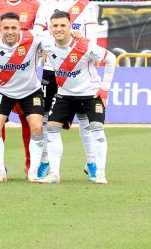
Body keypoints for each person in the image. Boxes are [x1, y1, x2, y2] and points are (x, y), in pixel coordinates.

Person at [40, 11, 115, 184]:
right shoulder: (46, 44)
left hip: (90, 95)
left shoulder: (85, 46)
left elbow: (111, 59)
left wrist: (105, 89)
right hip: (65, 95)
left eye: (63, 25)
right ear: (50, 28)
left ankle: (100, 173)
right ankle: (54, 173)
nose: (59, 29)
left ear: (70, 27)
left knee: (96, 128)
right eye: (55, 26)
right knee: (51, 128)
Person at [0, 12, 46, 183]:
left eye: (14, 28)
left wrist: (75, 35)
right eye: (6, 28)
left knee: (37, 128)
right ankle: (1, 170)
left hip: (31, 91)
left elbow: (58, 36)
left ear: (20, 28)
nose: (10, 32)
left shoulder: (33, 37)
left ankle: (32, 170)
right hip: (4, 92)